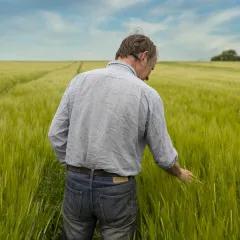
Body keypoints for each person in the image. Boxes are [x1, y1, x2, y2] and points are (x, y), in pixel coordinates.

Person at [48, 34, 193, 240]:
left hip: (76, 183)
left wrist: (75, 167)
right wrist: (179, 173)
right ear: (143, 56)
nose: (148, 76)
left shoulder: (80, 81)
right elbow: (163, 155)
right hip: (116, 189)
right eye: (151, 68)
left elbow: (55, 134)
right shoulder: (147, 94)